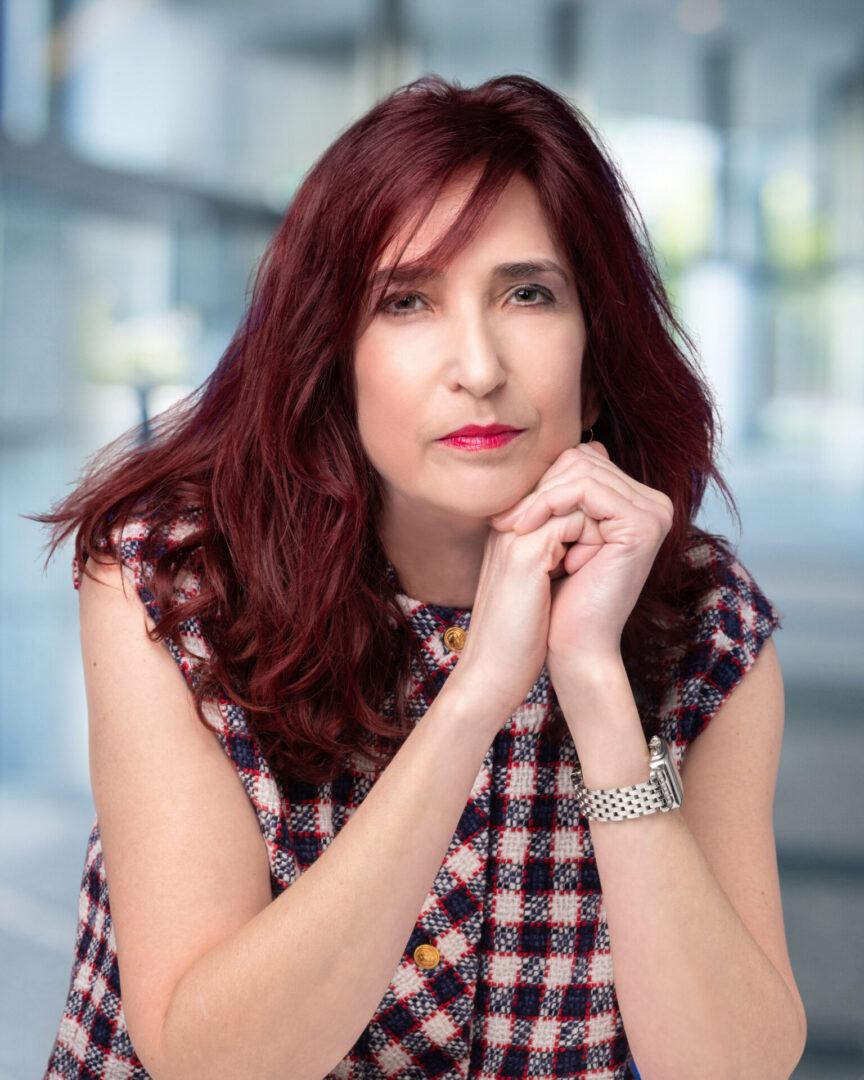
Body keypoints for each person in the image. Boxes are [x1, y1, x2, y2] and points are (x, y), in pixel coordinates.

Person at [40, 73, 806, 1080]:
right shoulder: (179, 584)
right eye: (408, 301)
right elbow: (209, 1058)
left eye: (528, 293)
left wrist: (594, 688)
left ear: (595, 343)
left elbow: (734, 1068)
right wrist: (475, 697)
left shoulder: (703, 623)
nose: (479, 366)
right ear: (333, 353)